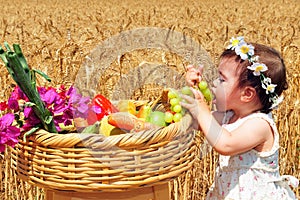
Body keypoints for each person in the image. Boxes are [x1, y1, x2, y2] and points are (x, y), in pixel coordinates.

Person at [181, 36, 299, 199]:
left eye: (222, 79)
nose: (214, 82)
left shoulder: (260, 125)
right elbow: (193, 121)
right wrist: (191, 90)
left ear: (247, 94)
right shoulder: (227, 116)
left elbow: (226, 144)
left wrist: (202, 109)